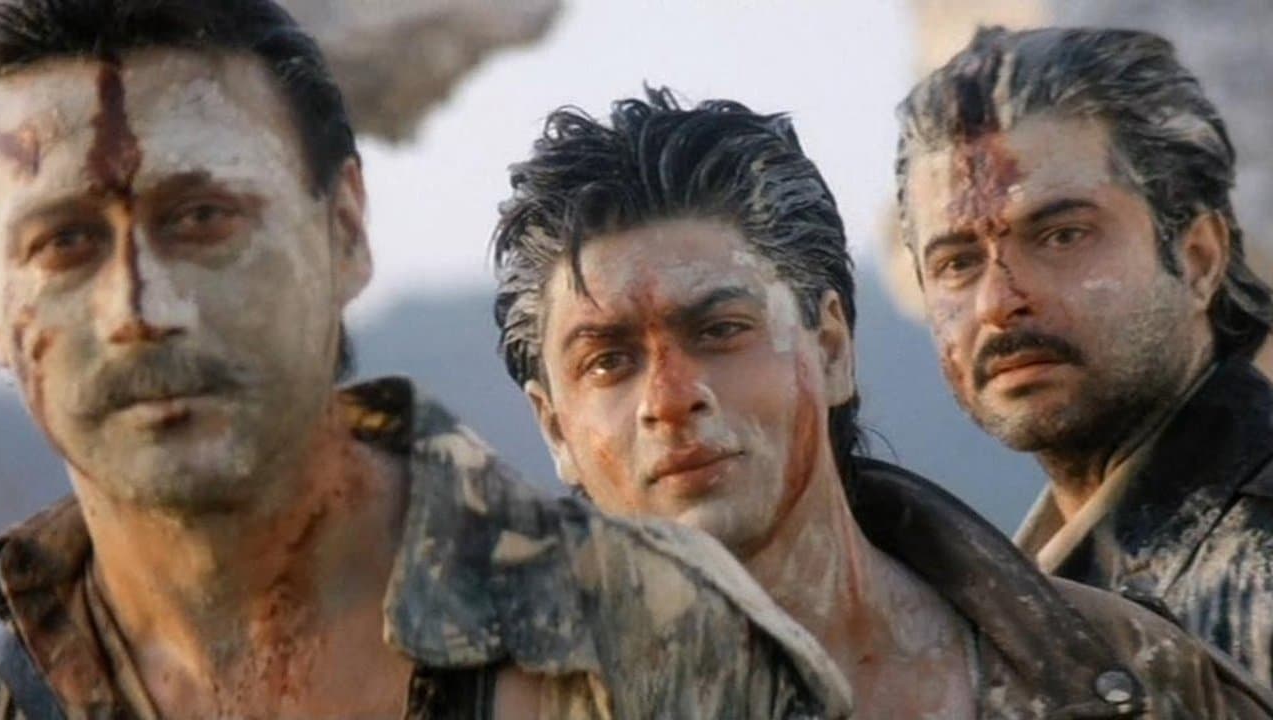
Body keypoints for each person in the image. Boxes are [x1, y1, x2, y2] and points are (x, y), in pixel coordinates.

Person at [0, 2, 858, 718]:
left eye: (202, 218)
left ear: (344, 229)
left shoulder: (665, 647)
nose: (141, 311)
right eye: (63, 243)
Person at [490, 87, 1273, 718]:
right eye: (608, 362)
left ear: (832, 348)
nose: (670, 398)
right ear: (554, 427)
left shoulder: (1138, 679)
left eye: (721, 330)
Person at [895, 26, 1273, 682]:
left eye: (1062, 235)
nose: (999, 301)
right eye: (957, 262)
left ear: (1198, 258)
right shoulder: (986, 607)